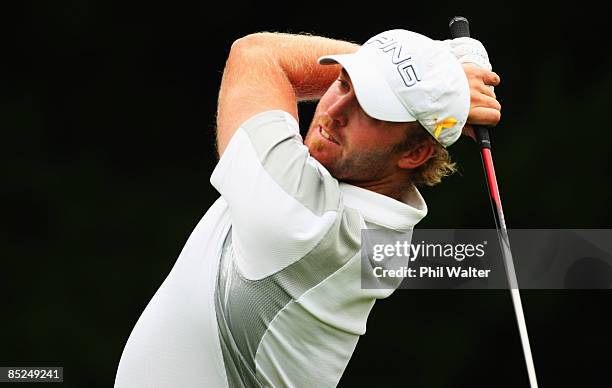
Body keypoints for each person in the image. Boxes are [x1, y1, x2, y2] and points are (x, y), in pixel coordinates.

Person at [115, 29, 501, 387]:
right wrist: (435, 77)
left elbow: (256, 54)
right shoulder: (378, 223)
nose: (334, 110)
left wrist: (443, 75)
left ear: (416, 152)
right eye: (343, 83)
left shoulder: (307, 221)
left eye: (369, 107)